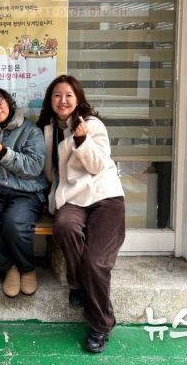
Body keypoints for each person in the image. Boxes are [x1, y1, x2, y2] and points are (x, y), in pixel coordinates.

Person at [36, 75, 125, 353]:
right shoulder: (47, 129)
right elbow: (49, 171)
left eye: (69, 95)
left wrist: (82, 139)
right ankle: (78, 285)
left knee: (95, 262)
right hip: (72, 198)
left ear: (78, 99)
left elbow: (98, 166)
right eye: (57, 95)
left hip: (105, 197)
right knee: (64, 226)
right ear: (50, 100)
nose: (62, 101)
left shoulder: (92, 125)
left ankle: (101, 324)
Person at [0, 85, 48, 298]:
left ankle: (27, 268)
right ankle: (9, 267)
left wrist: (4, 154)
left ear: (8, 101)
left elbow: (34, 167)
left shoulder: (31, 130)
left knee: (14, 223)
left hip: (26, 191)